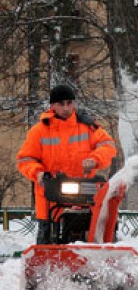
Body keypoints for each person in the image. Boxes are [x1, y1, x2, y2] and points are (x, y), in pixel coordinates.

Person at [17, 84, 117, 244]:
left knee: (94, 234)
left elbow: (108, 145)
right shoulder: (39, 131)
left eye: (69, 103)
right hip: (50, 198)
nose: (65, 108)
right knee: (46, 243)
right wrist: (39, 173)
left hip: (84, 196)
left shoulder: (88, 127)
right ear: (52, 106)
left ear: (74, 103)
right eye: (61, 104)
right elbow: (25, 159)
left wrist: (95, 159)